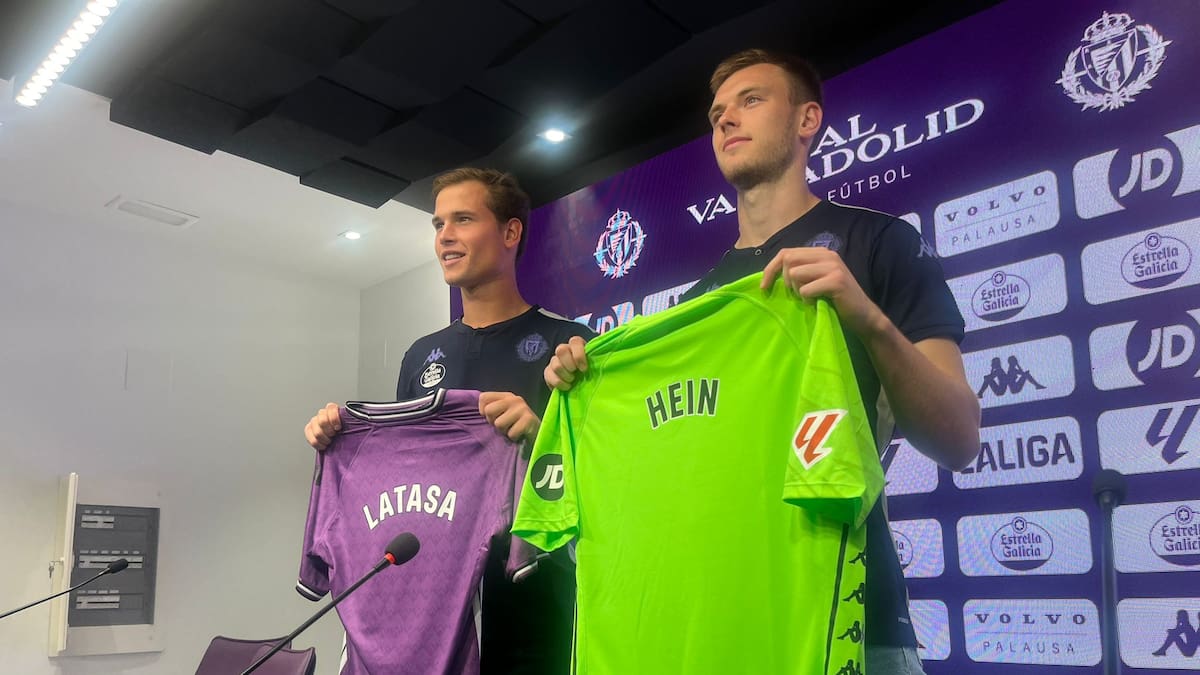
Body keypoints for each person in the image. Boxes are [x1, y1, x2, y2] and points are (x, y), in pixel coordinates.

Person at [544, 49, 980, 674]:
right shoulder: (701, 304)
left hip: (852, 609)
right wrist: (585, 392)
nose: (725, 121)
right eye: (717, 112)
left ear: (807, 120)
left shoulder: (881, 243)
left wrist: (868, 319)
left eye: (751, 101)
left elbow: (959, 440)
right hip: (727, 615)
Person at [304, 167, 593, 675]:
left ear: (510, 232)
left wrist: (537, 436)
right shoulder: (421, 356)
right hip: (433, 624)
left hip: (533, 614)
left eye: (463, 219)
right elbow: (398, 486)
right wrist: (336, 439)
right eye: (438, 225)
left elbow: (601, 482)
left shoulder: (566, 343)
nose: (445, 237)